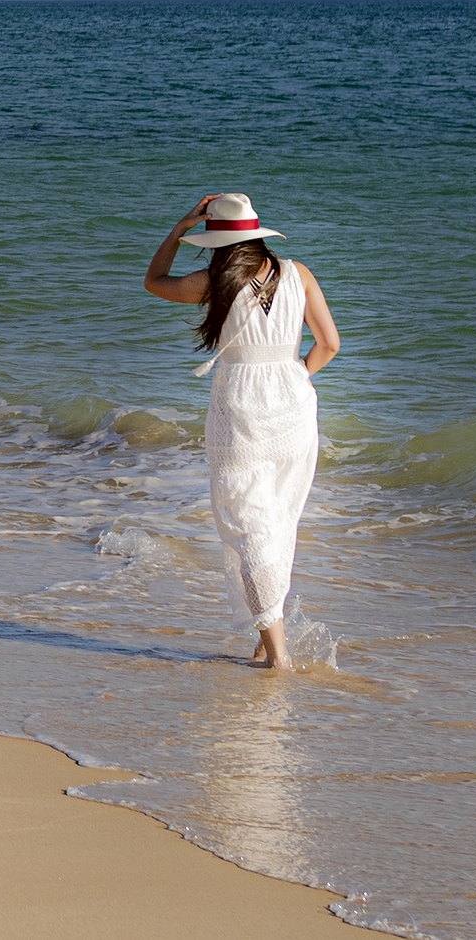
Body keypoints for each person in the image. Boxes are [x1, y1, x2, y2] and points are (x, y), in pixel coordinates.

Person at [142, 193, 341, 671]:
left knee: (248, 525)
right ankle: (264, 636)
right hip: (294, 407)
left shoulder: (213, 283)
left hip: (239, 410)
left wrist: (177, 228)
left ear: (215, 241)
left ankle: (279, 655)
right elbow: (329, 344)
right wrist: (290, 380)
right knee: (278, 523)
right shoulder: (298, 273)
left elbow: (153, 282)